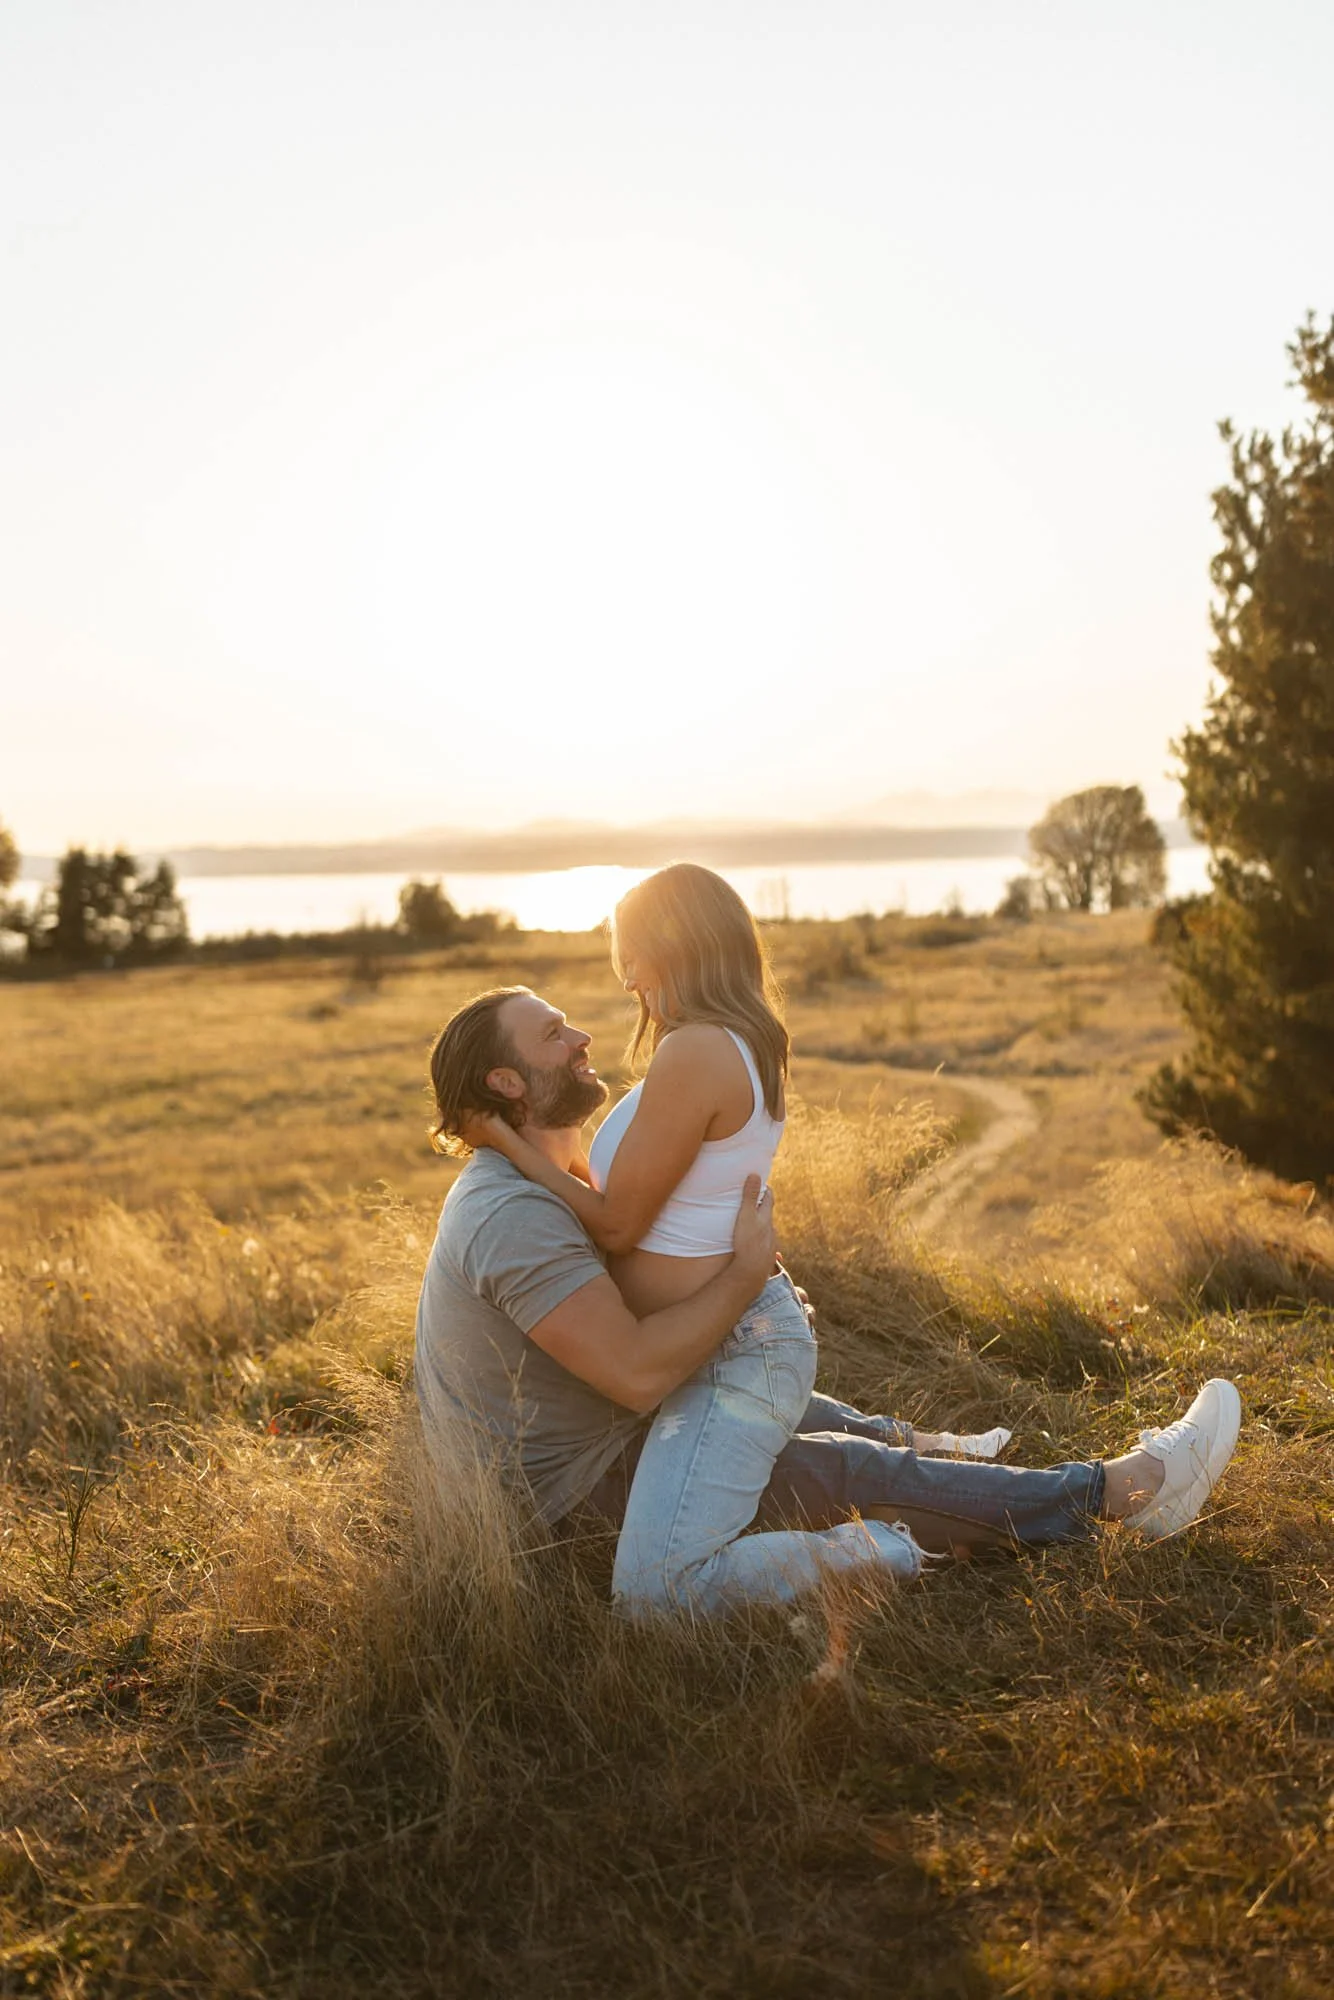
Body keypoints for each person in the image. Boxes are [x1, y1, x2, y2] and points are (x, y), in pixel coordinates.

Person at [413, 981, 1243, 1613]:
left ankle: (947, 1460)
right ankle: (1126, 1492)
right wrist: (743, 1278)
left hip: (604, 1445)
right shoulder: (510, 1214)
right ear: (509, 1082)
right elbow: (634, 1373)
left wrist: (745, 1300)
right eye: (554, 1035)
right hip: (570, 1507)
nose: (583, 1035)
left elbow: (636, 1317)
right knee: (829, 1470)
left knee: (763, 1394)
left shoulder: (555, 1180)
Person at [459, 864, 933, 1613]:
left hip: (734, 1336)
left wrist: (512, 1151)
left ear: (674, 945)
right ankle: (935, 1457)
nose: (627, 984)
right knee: (808, 1468)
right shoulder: (733, 1040)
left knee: (657, 1590)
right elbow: (653, 1200)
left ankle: (877, 1547)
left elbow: (617, 1222)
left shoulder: (696, 1049)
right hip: (720, 1334)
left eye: (632, 962)